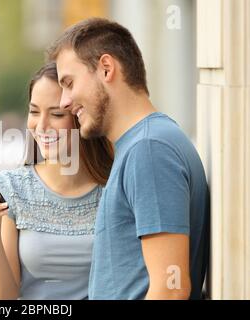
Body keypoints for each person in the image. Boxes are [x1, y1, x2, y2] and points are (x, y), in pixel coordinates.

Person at [47, 17, 210, 300]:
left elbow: (171, 290)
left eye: (69, 83)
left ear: (106, 69)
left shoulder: (149, 149)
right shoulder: (142, 145)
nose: (64, 101)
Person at [0, 62, 113, 300]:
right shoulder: (12, 188)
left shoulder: (112, 188)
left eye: (56, 114)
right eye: (34, 112)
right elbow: (2, 298)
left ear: (81, 116)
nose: (42, 126)